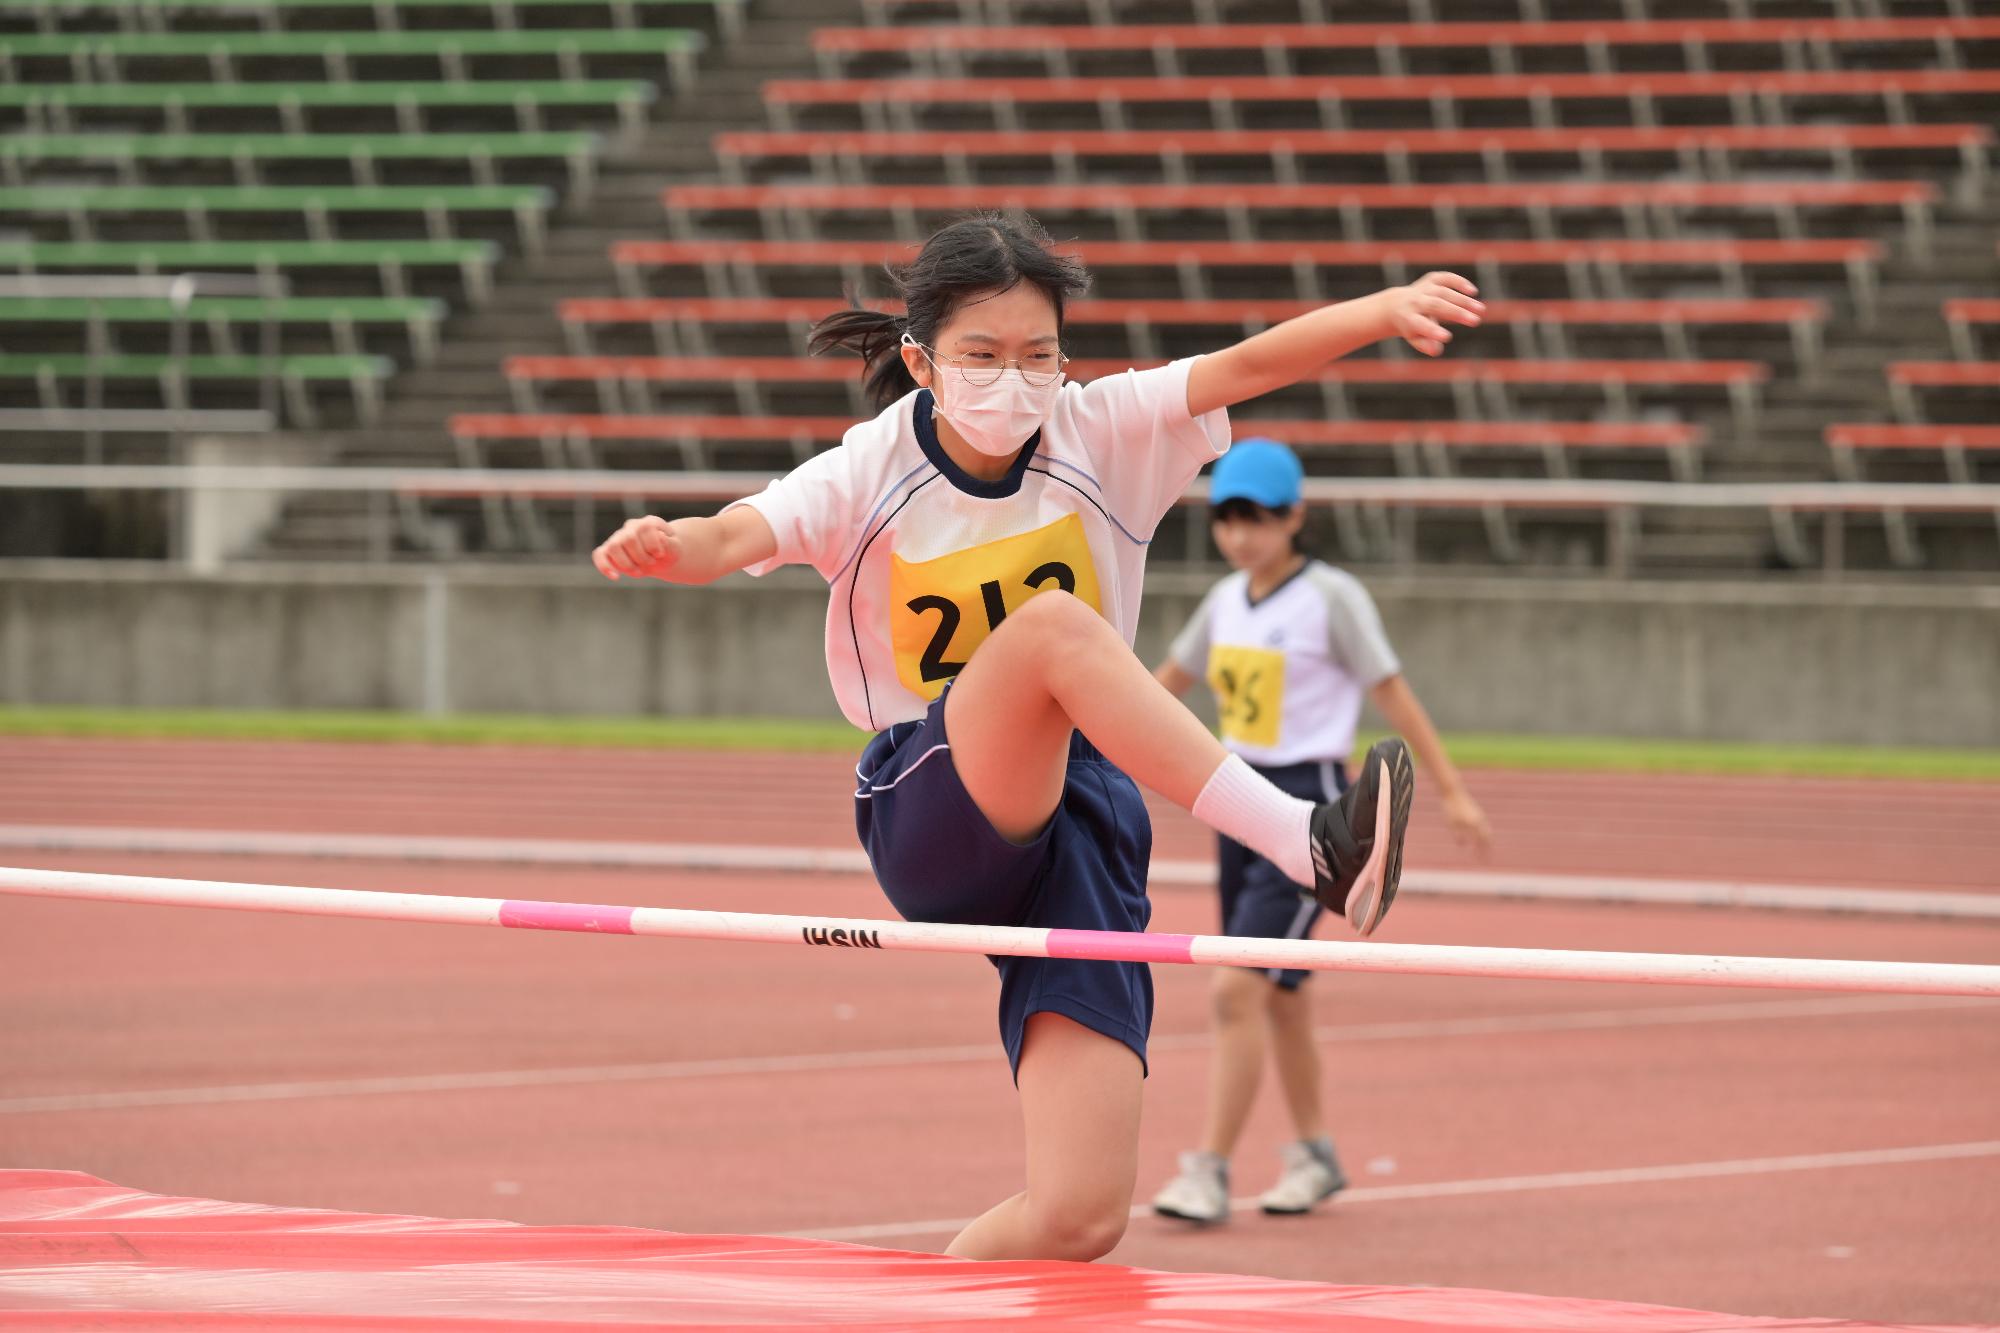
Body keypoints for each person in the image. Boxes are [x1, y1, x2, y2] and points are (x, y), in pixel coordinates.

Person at [589, 214, 1484, 1262]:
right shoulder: (869, 469)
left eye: (1036, 355)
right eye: (979, 356)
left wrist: (1379, 312)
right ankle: (1307, 845)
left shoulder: (1100, 429)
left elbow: (1242, 365)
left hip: (1081, 824)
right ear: (920, 359)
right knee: (1057, 630)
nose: (1012, 381)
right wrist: (666, 544)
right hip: (927, 800)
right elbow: (736, 534)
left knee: (1077, 1212)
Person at [1149, 438, 1494, 1227]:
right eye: (1229, 518)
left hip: (1310, 813)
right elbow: (1160, 689)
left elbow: (1393, 694)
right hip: (1235, 801)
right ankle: (1315, 1154)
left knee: (1238, 986)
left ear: (1295, 516)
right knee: (1284, 997)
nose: (1242, 534)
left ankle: (1208, 1169)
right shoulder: (1224, 601)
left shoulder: (1330, 597)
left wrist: (1451, 791)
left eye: (1260, 518)